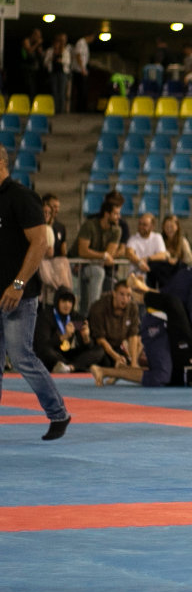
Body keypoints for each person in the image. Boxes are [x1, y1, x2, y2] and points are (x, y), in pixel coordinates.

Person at [0, 147, 71, 441]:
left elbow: (40, 242)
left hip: (20, 294)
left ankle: (58, 413)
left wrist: (18, 284)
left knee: (21, 358)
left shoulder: (21, 196)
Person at [91, 260, 192, 388]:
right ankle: (104, 371)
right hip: (159, 320)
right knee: (161, 375)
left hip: (171, 322)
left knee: (170, 374)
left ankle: (122, 370)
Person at [34, 287, 103, 373]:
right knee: (46, 351)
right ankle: (72, 366)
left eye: (70, 302)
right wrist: (63, 337)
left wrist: (86, 338)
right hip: (52, 354)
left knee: (99, 350)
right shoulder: (46, 316)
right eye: (64, 301)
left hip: (66, 355)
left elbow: (87, 348)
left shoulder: (75, 317)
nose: (67, 305)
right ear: (57, 302)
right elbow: (42, 345)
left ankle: (70, 367)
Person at [73, 198, 122, 312]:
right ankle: (94, 312)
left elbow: (109, 255)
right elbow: (82, 251)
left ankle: (93, 312)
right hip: (76, 264)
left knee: (100, 273)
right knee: (98, 272)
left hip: (94, 265)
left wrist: (103, 256)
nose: (119, 217)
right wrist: (103, 256)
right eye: (115, 214)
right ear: (106, 214)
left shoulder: (116, 230)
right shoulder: (90, 225)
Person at [87, 279, 142, 370]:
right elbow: (100, 339)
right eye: (122, 294)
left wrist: (133, 362)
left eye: (128, 295)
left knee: (126, 362)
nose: (125, 299)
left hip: (116, 346)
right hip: (97, 346)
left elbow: (133, 336)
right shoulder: (99, 308)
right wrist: (116, 356)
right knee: (107, 362)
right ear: (114, 293)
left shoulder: (132, 308)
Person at [37, 196, 73, 297]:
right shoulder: (32, 229)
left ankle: (65, 295)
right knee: (20, 285)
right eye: (44, 212)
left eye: (48, 213)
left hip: (28, 283)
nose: (46, 215)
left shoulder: (49, 230)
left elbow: (51, 252)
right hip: (23, 277)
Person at [125, 213, 168, 278]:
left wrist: (147, 259)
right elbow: (129, 253)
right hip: (135, 275)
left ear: (152, 227)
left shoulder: (157, 237)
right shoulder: (133, 239)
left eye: (144, 225)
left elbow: (163, 255)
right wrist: (139, 263)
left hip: (152, 276)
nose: (141, 227)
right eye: (140, 224)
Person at [43, 33, 71, 113]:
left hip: (62, 73)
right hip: (53, 73)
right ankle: (55, 109)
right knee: (54, 91)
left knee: (62, 92)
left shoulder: (65, 51)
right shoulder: (50, 51)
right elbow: (45, 63)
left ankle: (61, 110)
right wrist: (50, 59)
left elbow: (68, 62)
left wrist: (61, 61)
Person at [71, 31, 96, 112]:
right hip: (78, 70)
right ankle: (79, 109)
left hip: (83, 69)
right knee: (80, 90)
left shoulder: (85, 44)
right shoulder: (81, 42)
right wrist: (82, 69)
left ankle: (82, 108)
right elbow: (78, 55)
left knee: (84, 90)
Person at [20, 28, 44, 98]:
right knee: (28, 89)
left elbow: (41, 56)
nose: (39, 37)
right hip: (26, 70)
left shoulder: (37, 45)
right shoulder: (26, 40)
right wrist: (37, 44)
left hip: (35, 70)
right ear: (33, 34)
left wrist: (40, 50)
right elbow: (29, 52)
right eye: (37, 35)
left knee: (34, 89)